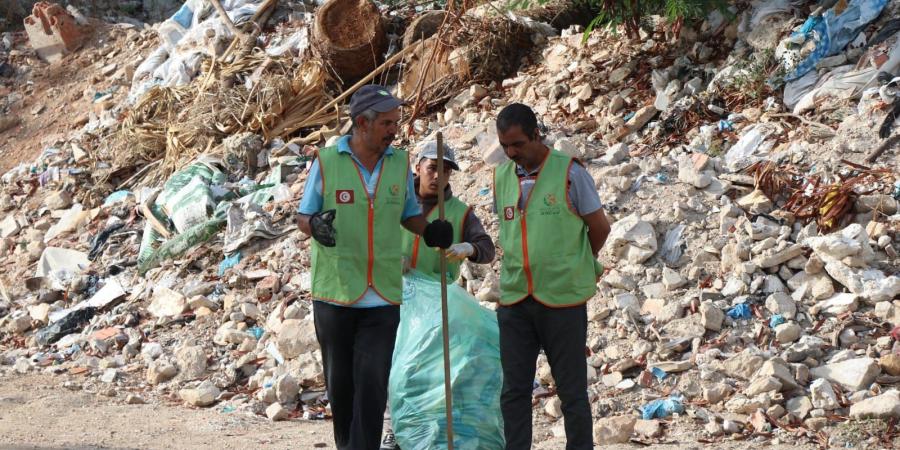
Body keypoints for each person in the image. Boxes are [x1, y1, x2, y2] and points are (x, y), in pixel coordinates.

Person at [296, 85, 454, 450]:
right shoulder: (327, 161)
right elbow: (304, 216)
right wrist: (315, 226)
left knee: (372, 381)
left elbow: (409, 214)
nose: (393, 130)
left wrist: (431, 231)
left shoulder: (399, 162)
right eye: (386, 123)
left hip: (382, 293)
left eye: (395, 122)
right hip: (336, 291)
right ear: (361, 124)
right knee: (341, 386)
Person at [492, 103, 611, 450]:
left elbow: (599, 228)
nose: (512, 153)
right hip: (515, 297)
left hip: (562, 298)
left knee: (571, 391)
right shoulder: (501, 177)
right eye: (505, 146)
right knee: (514, 391)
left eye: (518, 144)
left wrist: (579, 259)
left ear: (536, 135)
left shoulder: (571, 173)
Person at [380, 141, 496, 450]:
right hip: (397, 298)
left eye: (446, 171)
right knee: (399, 369)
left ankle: (435, 430)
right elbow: (370, 238)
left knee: (432, 372)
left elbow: (487, 249)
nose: (438, 176)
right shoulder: (395, 204)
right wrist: (390, 258)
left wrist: (468, 248)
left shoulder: (460, 213)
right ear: (417, 168)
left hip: (439, 307)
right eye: (432, 168)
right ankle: (396, 430)